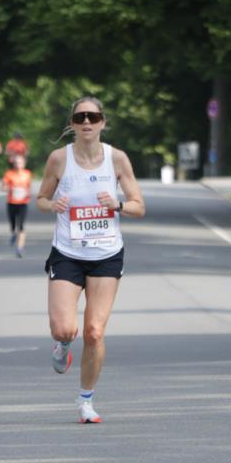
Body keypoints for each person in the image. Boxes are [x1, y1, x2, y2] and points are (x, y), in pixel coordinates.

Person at [36, 96, 145, 424]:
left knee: (94, 332)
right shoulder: (59, 159)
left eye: (93, 117)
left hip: (106, 254)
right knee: (64, 329)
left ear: (102, 122)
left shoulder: (117, 159)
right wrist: (52, 205)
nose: (86, 122)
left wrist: (118, 205)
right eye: (80, 117)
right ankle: (61, 345)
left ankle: (86, 401)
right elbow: (40, 198)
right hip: (68, 253)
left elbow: (139, 205)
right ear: (71, 123)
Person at [0, 154, 32, 258]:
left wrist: (27, 193)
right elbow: (2, 188)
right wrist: (10, 189)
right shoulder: (9, 174)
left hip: (23, 203)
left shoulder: (27, 174)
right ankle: (13, 233)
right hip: (11, 202)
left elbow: (29, 187)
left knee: (21, 226)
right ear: (13, 164)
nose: (18, 165)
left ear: (24, 164)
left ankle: (20, 248)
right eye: (16, 163)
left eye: (20, 163)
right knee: (13, 225)